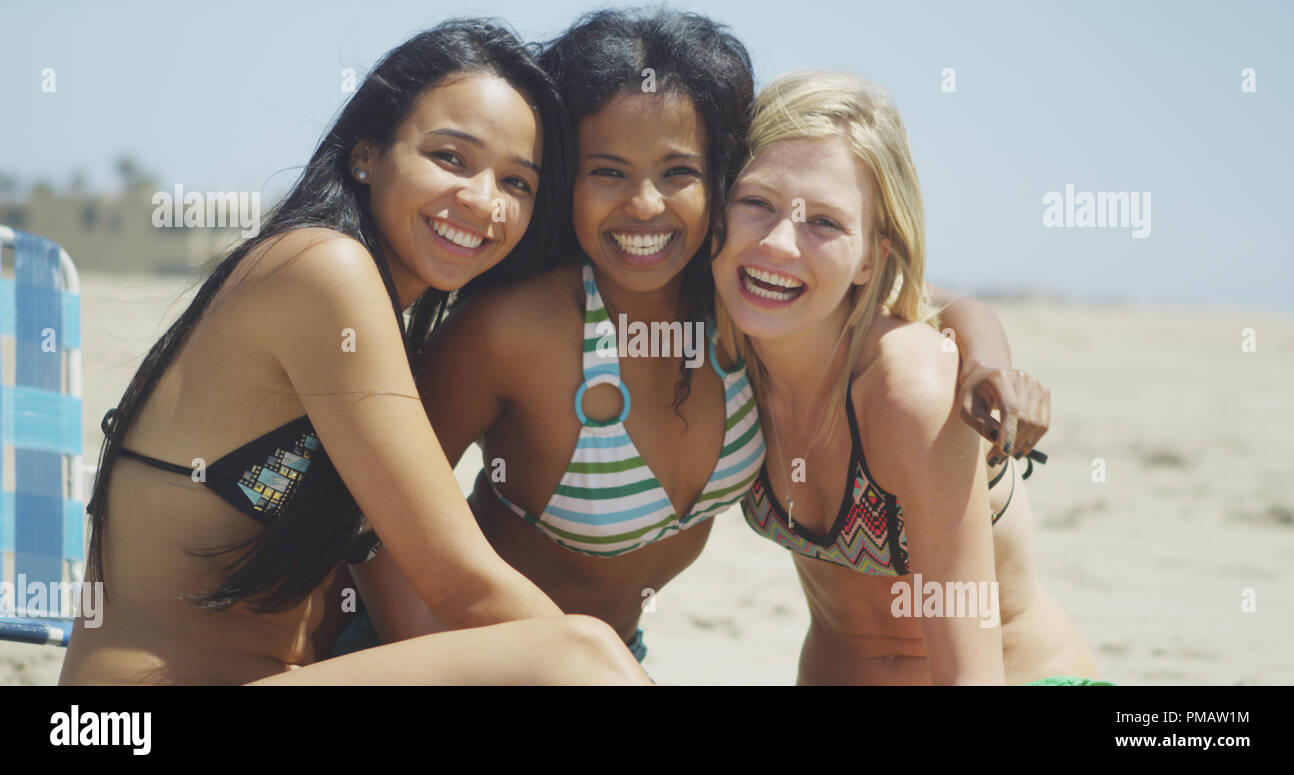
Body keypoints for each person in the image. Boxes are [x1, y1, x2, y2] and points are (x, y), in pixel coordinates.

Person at [357, 10, 1056, 676]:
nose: (645, 205)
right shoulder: (516, 329)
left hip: (614, 662)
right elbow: (373, 519)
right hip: (464, 656)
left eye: (678, 173)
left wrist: (987, 359)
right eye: (607, 171)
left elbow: (917, 313)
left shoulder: (739, 310)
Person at [59, 19, 649, 686]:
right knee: (579, 655)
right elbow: (461, 582)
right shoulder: (323, 270)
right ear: (367, 153)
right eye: (451, 158)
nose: (484, 201)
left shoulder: (377, 323)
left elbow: (431, 615)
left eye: (517, 183)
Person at [712, 69, 1105, 685]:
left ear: (872, 256)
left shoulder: (912, 390)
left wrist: (984, 362)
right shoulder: (718, 353)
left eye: (825, 223)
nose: (780, 243)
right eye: (757, 202)